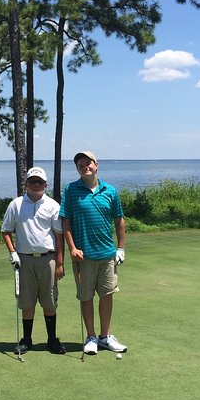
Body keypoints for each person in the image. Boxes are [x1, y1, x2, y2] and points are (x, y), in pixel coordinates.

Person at [60, 151, 127, 355]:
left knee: (107, 295)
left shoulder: (110, 191)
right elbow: (66, 222)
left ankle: (105, 337)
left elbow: (119, 220)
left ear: (96, 165)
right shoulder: (70, 190)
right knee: (86, 297)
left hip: (107, 255)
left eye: (88, 163)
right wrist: (72, 248)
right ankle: (91, 337)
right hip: (84, 256)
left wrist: (121, 248)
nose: (84, 167)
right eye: (80, 165)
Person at [1, 167, 66, 355]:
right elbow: (6, 230)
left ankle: (52, 340)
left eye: (40, 182)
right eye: (32, 181)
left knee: (49, 301)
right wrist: (13, 252)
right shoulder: (16, 204)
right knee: (27, 301)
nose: (36, 185)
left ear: (45, 184)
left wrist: (60, 263)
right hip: (24, 260)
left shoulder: (53, 205)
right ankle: (26, 340)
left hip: (48, 259)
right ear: (26, 184)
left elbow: (59, 235)